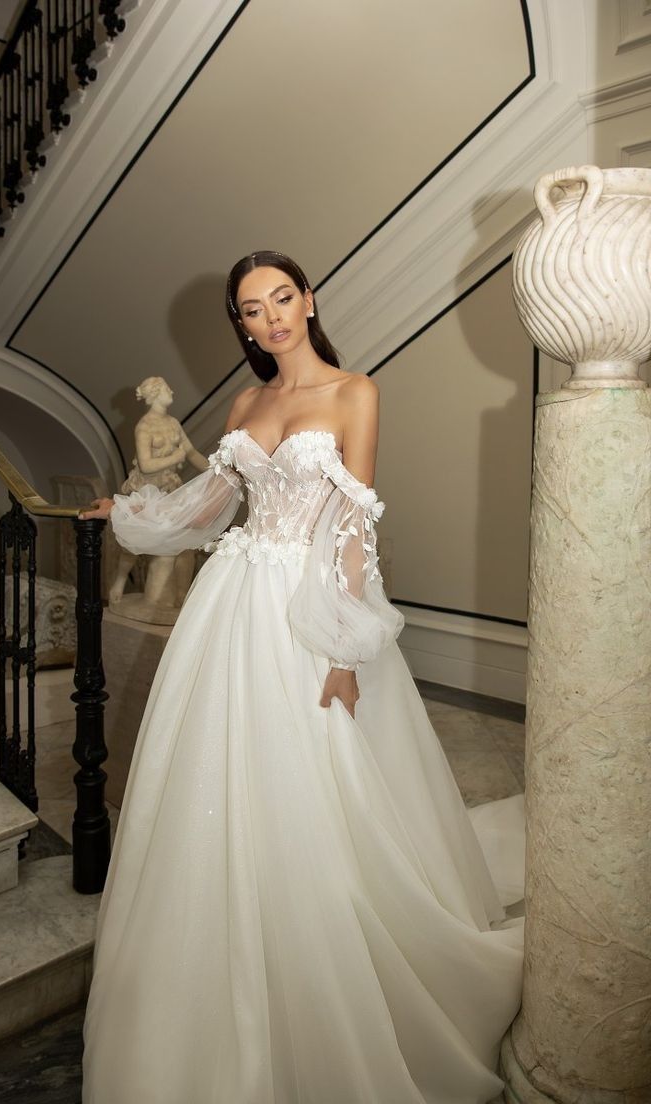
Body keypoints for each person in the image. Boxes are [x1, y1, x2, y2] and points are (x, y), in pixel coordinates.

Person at [80, 250, 524, 1104]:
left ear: (308, 300)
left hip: (309, 606)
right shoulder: (247, 403)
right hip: (233, 601)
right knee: (216, 785)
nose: (272, 315)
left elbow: (353, 527)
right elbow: (214, 500)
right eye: (253, 308)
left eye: (283, 297)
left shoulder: (356, 393)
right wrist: (130, 512)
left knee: (322, 781)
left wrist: (343, 650)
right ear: (242, 325)